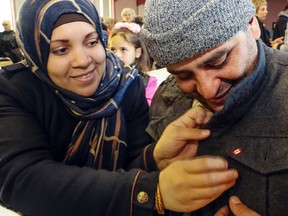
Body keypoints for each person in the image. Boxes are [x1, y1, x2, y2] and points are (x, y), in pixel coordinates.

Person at [0, 0, 238, 215]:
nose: (83, 61)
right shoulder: (15, 91)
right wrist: (152, 191)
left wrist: (154, 156)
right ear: (36, 53)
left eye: (91, 42)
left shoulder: (125, 84)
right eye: (61, 50)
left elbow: (131, 165)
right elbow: (22, 180)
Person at [141, 0, 288, 215]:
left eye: (218, 61)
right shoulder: (166, 96)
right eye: (184, 75)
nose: (208, 90)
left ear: (251, 24)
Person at [108, 22, 157, 105]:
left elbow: (147, 109)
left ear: (137, 52)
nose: (117, 55)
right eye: (113, 50)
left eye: (123, 49)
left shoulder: (147, 82)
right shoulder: (106, 78)